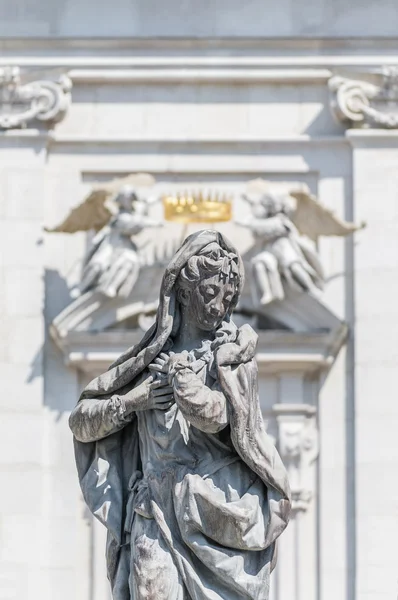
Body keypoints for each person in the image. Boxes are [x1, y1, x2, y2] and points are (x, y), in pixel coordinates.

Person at [69, 229, 291, 600]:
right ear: (184, 291)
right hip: (154, 507)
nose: (218, 306)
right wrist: (131, 402)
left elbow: (222, 418)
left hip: (215, 512)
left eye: (227, 297)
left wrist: (185, 383)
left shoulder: (232, 359)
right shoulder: (146, 360)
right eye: (209, 294)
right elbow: (81, 422)